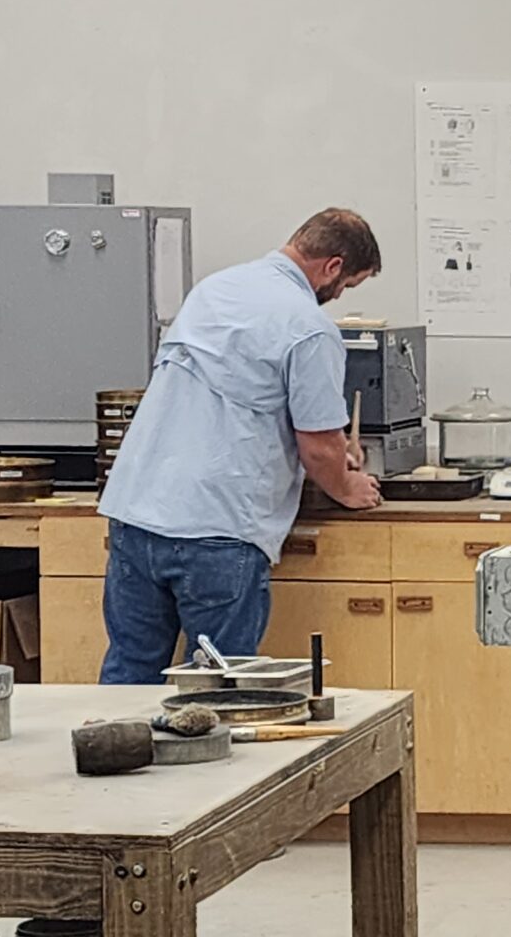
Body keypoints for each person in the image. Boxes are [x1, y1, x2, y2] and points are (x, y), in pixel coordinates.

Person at [98, 208, 385, 685]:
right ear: (332, 266)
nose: (338, 297)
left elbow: (232, 398)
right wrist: (348, 484)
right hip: (218, 526)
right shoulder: (310, 327)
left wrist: (331, 448)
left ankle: (112, 754)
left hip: (137, 511)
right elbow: (318, 449)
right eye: (347, 285)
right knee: (218, 687)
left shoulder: (214, 289)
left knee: (129, 674)